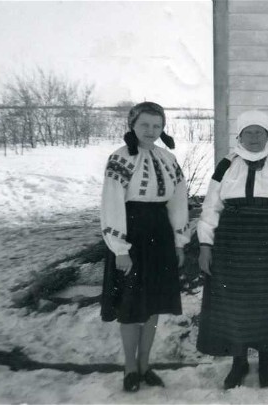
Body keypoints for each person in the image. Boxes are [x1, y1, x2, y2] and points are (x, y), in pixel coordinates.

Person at [197, 110, 268, 389]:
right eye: (249, 132)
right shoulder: (226, 164)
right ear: (240, 135)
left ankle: (267, 363)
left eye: (260, 132)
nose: (254, 138)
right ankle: (238, 362)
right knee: (235, 305)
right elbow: (211, 205)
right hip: (231, 245)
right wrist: (205, 245)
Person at [99, 101, 189, 392]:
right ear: (132, 125)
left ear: (162, 128)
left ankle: (145, 365)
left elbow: (178, 202)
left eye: (156, 126)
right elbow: (111, 203)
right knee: (130, 305)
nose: (150, 131)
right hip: (131, 234)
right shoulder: (120, 158)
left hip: (160, 235)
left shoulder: (168, 159)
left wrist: (179, 241)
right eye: (144, 125)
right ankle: (129, 367)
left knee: (153, 306)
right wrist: (120, 249)